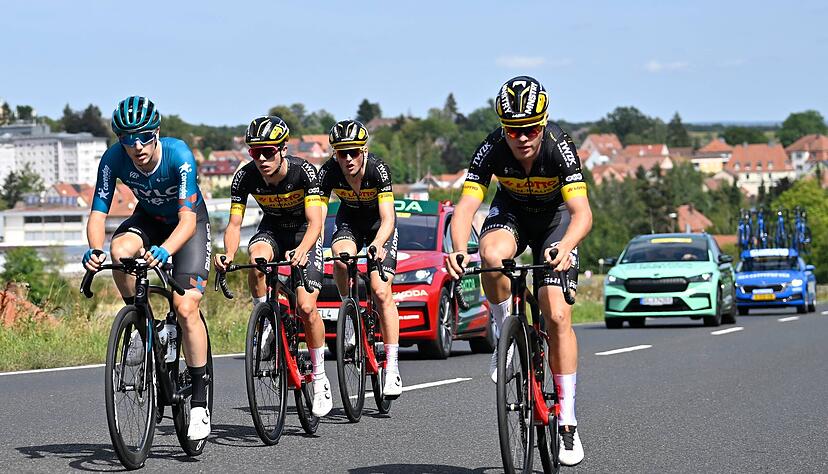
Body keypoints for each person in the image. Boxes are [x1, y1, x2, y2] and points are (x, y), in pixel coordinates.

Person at [445, 76, 592, 466]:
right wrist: (460, 250)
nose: (521, 137)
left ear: (542, 125)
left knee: (555, 310)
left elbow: (582, 213)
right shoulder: (492, 148)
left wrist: (567, 245)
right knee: (490, 255)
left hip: (555, 223)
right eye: (513, 130)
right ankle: (503, 332)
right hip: (511, 213)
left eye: (529, 129)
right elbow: (464, 209)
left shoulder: (560, 149)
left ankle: (568, 421)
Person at [83, 96, 213, 440]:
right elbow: (98, 214)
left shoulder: (179, 154)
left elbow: (186, 221)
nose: (136, 146)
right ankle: (142, 325)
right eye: (127, 139)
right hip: (150, 219)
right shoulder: (113, 159)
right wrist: (95, 250)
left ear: (156, 132)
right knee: (119, 248)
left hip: (188, 226)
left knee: (186, 307)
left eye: (143, 136)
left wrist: (165, 250)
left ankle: (199, 401)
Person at [214, 116, 331, 417]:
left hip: (304, 232)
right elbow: (235, 223)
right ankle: (265, 319)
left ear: (282, 149)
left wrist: (303, 250)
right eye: (255, 152)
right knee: (257, 261)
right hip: (272, 229)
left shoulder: (304, 171)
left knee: (306, 308)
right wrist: (228, 253)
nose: (262, 158)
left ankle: (319, 378)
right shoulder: (244, 177)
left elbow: (316, 221)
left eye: (268, 151)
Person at [318, 119, 403, 397]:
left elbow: (388, 217)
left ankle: (392, 367)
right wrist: (313, 244)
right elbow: (317, 215)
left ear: (364, 151)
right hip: (349, 221)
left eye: (354, 151)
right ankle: (350, 313)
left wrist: (378, 244)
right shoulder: (329, 172)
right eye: (341, 153)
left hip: (379, 225)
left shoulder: (378, 170)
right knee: (341, 259)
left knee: (380, 291)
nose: (348, 158)